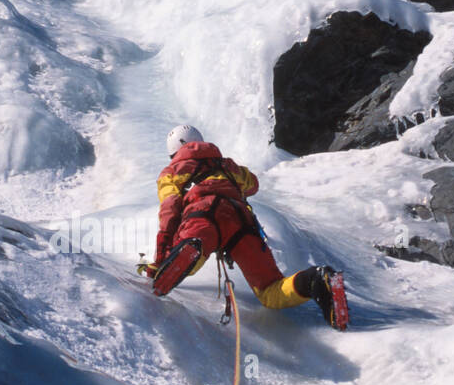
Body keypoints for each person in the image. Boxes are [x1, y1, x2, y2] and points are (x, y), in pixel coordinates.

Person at [141, 124, 348, 329]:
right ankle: (316, 279)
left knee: (187, 259)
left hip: (202, 216)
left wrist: (160, 259)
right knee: (270, 291)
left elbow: (170, 209)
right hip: (241, 221)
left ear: (173, 153)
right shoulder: (227, 165)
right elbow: (253, 184)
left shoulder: (172, 171)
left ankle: (189, 248)